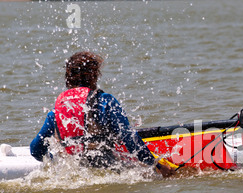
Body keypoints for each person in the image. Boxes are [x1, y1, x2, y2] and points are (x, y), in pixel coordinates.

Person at [30, 51, 175, 177]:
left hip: (74, 172)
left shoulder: (56, 113)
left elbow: (35, 149)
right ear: (94, 76)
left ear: (68, 78)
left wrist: (55, 163)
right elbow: (129, 139)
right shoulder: (104, 102)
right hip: (108, 170)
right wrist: (157, 166)